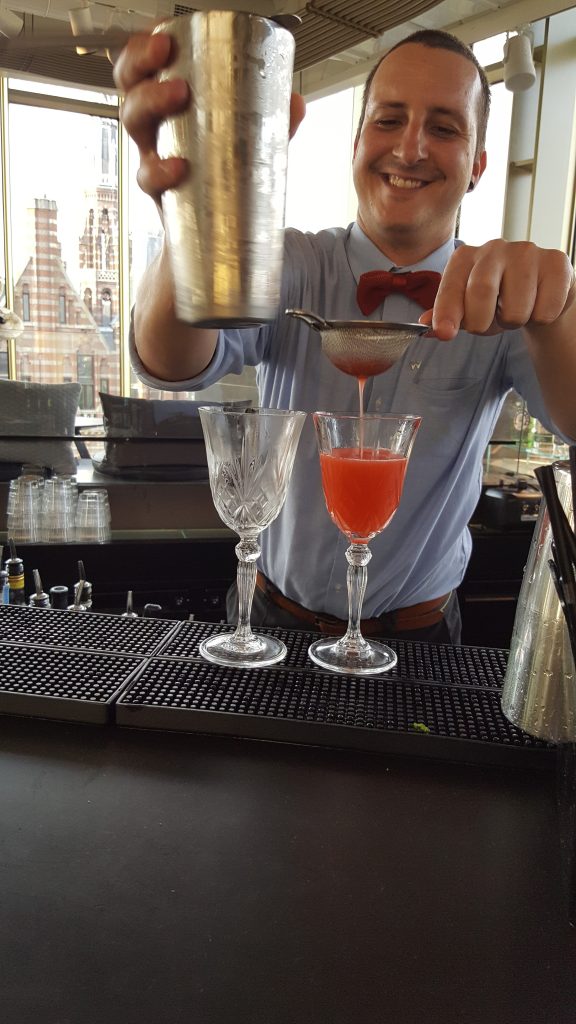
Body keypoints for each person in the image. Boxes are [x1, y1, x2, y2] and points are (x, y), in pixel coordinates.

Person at [114, 28, 576, 645]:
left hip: (419, 637)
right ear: (357, 145)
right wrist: (191, 211)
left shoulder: (497, 301)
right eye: (389, 120)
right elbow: (170, 361)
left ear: (477, 167)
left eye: (444, 128)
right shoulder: (288, 263)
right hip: (269, 619)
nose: (410, 148)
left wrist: (557, 311)